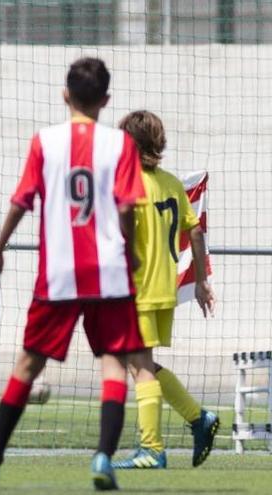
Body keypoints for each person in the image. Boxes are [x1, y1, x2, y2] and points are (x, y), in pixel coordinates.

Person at [0, 57, 155, 491]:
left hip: (59, 274)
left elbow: (22, 199)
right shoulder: (121, 145)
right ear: (106, 100)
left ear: (65, 94)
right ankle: (104, 456)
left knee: (28, 364)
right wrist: (127, 249)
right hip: (109, 270)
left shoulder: (45, 142)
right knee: (114, 362)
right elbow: (127, 206)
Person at [111, 110, 218, 470]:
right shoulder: (171, 183)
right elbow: (196, 231)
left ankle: (152, 449)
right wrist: (202, 281)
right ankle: (196, 417)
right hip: (163, 289)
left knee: (138, 366)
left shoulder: (128, 184)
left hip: (136, 289)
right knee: (138, 362)